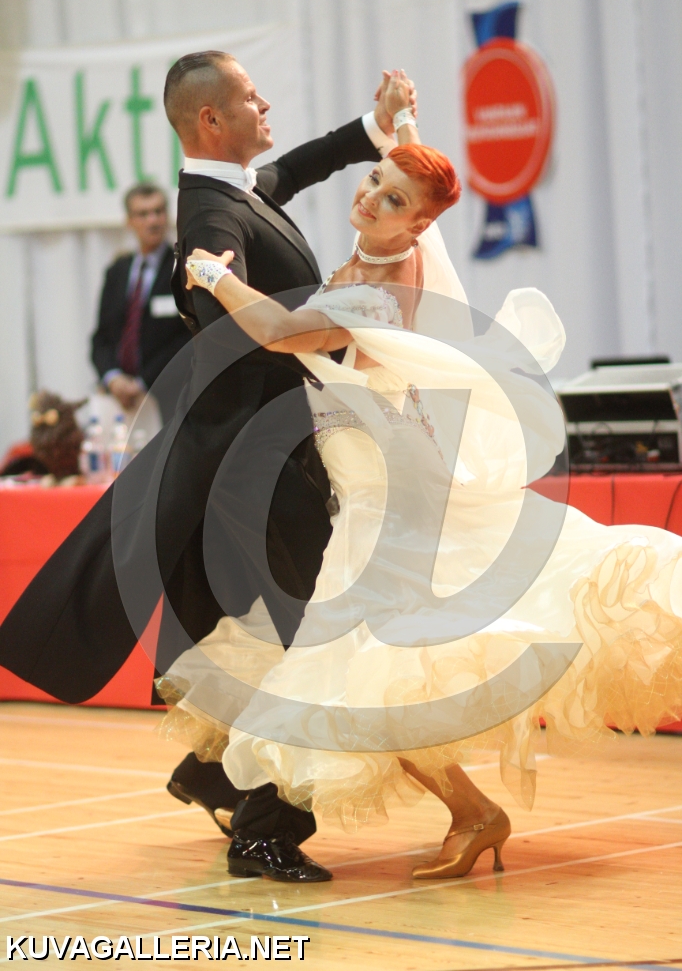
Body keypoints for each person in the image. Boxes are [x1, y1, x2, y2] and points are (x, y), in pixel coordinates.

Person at [171, 78, 682, 882]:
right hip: (369, 482)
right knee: (371, 672)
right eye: (374, 179)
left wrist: (212, 274)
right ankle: (469, 813)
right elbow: (409, 177)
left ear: (418, 224)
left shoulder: (377, 288)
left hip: (388, 496)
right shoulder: (378, 252)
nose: (370, 195)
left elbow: (277, 331)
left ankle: (451, 813)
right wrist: (400, 124)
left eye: (391, 197)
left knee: (364, 667)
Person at [0, 54, 414, 884]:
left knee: (271, 632)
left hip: (270, 456)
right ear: (210, 121)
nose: (266, 103)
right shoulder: (210, 219)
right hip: (258, 468)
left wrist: (375, 128)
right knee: (312, 639)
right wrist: (227, 290)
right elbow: (220, 307)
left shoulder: (237, 191)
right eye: (251, 97)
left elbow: (299, 167)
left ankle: (216, 774)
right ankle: (263, 832)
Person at [91, 184, 190, 423]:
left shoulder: (183, 268)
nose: (152, 221)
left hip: (169, 398)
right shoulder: (118, 271)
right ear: (129, 221)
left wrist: (143, 382)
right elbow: (102, 338)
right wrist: (113, 378)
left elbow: (187, 339)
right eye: (143, 214)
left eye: (158, 211)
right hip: (119, 400)